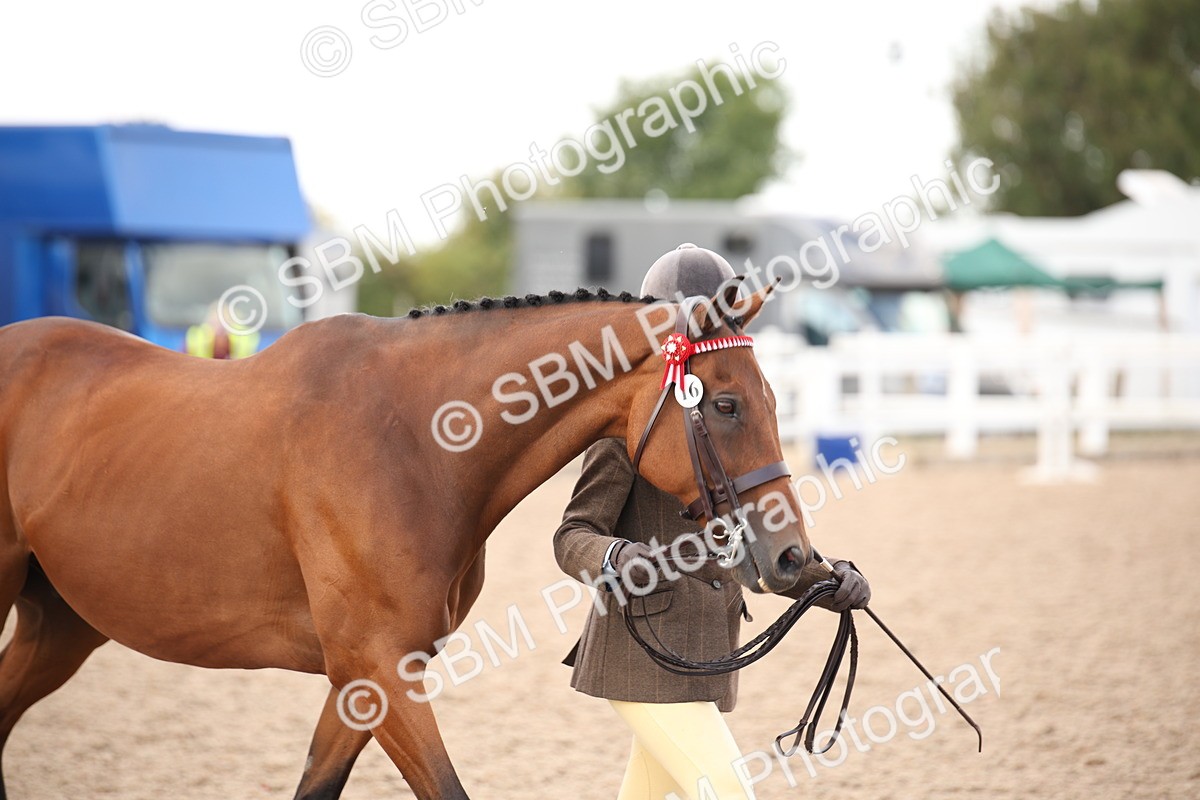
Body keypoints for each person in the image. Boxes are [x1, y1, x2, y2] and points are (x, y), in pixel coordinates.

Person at [553, 244, 871, 800]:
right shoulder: (628, 425)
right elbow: (572, 535)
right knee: (728, 790)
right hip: (641, 650)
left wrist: (827, 581)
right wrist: (620, 558)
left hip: (704, 654)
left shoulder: (724, 421)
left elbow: (750, 538)